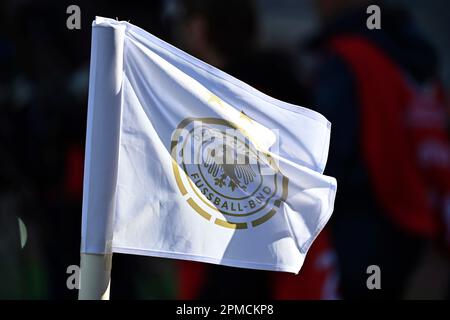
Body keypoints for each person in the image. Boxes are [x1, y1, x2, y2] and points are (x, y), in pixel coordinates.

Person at [173, 0, 340, 299]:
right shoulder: (287, 91)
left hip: (240, 270)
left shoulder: (215, 104)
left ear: (199, 29)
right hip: (299, 263)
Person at [307, 0, 450, 298]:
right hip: (422, 234)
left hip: (363, 236)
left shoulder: (350, 59)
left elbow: (325, 160)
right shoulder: (414, 61)